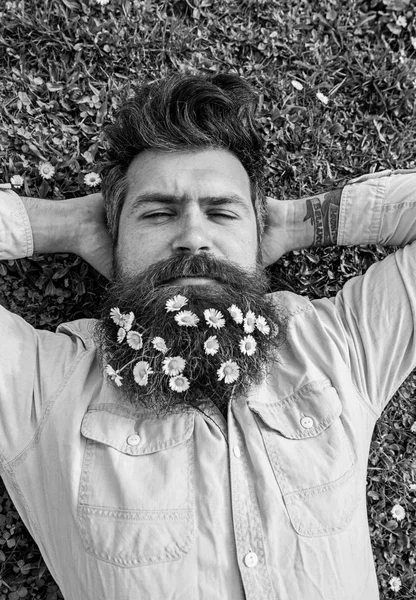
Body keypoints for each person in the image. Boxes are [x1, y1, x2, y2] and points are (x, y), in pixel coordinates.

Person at [0, 72, 415, 600]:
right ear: (112, 235)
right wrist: (62, 225)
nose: (193, 237)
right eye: (156, 214)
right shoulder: (43, 386)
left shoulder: (338, 348)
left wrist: (302, 222)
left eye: (222, 212)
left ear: (258, 231)